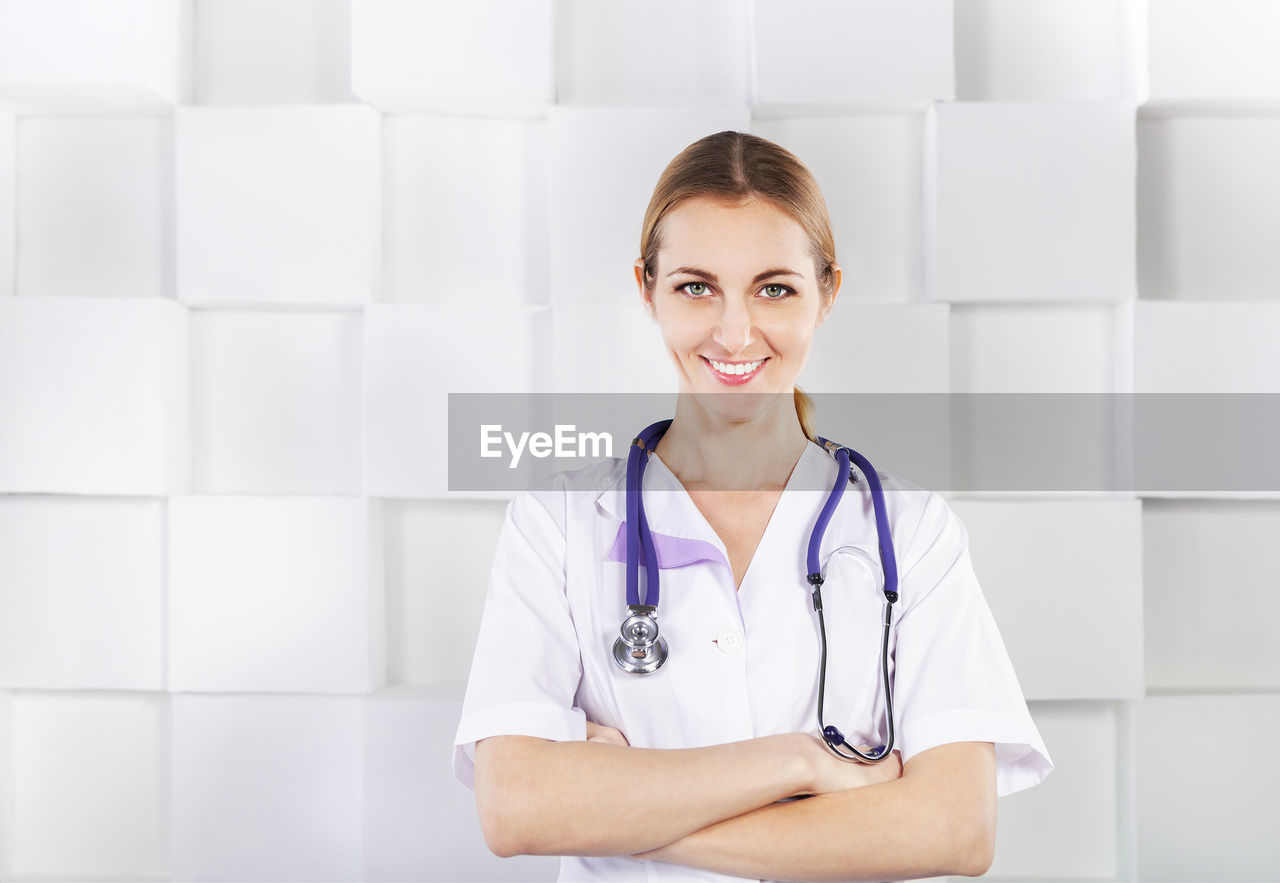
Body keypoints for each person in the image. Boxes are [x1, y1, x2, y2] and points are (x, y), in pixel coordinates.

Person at [452, 130, 1052, 882]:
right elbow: (516, 807)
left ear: (827, 292)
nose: (735, 333)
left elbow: (955, 829)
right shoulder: (556, 526)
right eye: (696, 286)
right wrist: (798, 762)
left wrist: (614, 811)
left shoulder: (911, 531)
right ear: (647, 289)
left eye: (775, 288)